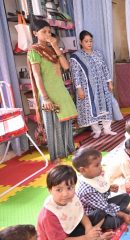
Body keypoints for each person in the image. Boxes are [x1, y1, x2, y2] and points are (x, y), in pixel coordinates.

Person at [28, 19, 77, 162]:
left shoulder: (51, 49)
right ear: (35, 33)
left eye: (49, 31)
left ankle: (69, 149)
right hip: (48, 92)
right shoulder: (34, 51)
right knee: (53, 125)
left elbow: (65, 66)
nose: (48, 34)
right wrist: (45, 97)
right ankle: (57, 156)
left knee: (65, 122)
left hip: (60, 90)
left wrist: (55, 47)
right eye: (44, 31)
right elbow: (37, 76)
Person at [37, 165, 114, 240]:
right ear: (50, 190)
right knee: (111, 221)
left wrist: (89, 228)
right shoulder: (49, 215)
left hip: (73, 229)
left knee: (102, 211)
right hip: (63, 237)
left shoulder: (73, 197)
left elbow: (80, 214)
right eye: (59, 190)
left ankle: (95, 235)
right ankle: (98, 237)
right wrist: (86, 237)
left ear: (75, 186)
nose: (65, 194)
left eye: (69, 188)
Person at [73, 148, 130, 229]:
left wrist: (108, 189)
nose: (101, 167)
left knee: (125, 197)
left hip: (102, 206)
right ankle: (126, 212)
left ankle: (123, 212)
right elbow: (105, 207)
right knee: (114, 222)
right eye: (97, 165)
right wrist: (124, 215)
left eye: (100, 164)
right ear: (83, 170)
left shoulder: (93, 176)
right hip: (93, 216)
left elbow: (101, 193)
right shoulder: (87, 190)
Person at [70, 30, 119, 139]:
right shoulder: (76, 57)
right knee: (91, 108)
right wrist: (79, 88)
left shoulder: (98, 53)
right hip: (87, 88)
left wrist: (109, 82)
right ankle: (96, 130)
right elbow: (76, 74)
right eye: (86, 41)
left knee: (106, 106)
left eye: (91, 41)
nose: (89, 43)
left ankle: (107, 129)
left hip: (102, 86)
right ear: (81, 42)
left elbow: (105, 68)